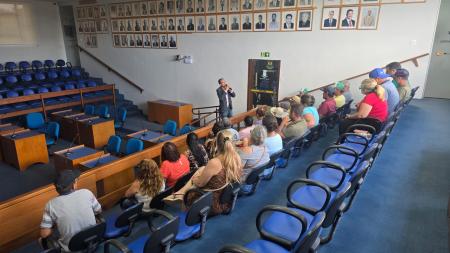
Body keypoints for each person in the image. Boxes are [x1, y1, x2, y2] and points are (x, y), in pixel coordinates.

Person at [168, 131, 242, 216]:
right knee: (201, 170)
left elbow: (200, 184)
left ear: (217, 144)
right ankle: (178, 195)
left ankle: (186, 216)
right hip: (226, 196)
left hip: (213, 201)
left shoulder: (215, 162)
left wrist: (195, 179)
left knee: (189, 190)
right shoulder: (237, 157)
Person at [39, 170, 102, 252]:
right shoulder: (87, 193)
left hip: (72, 249)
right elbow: (98, 211)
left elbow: (44, 234)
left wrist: (56, 225)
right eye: (75, 181)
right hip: (93, 242)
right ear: (73, 185)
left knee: (41, 240)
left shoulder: (50, 205)